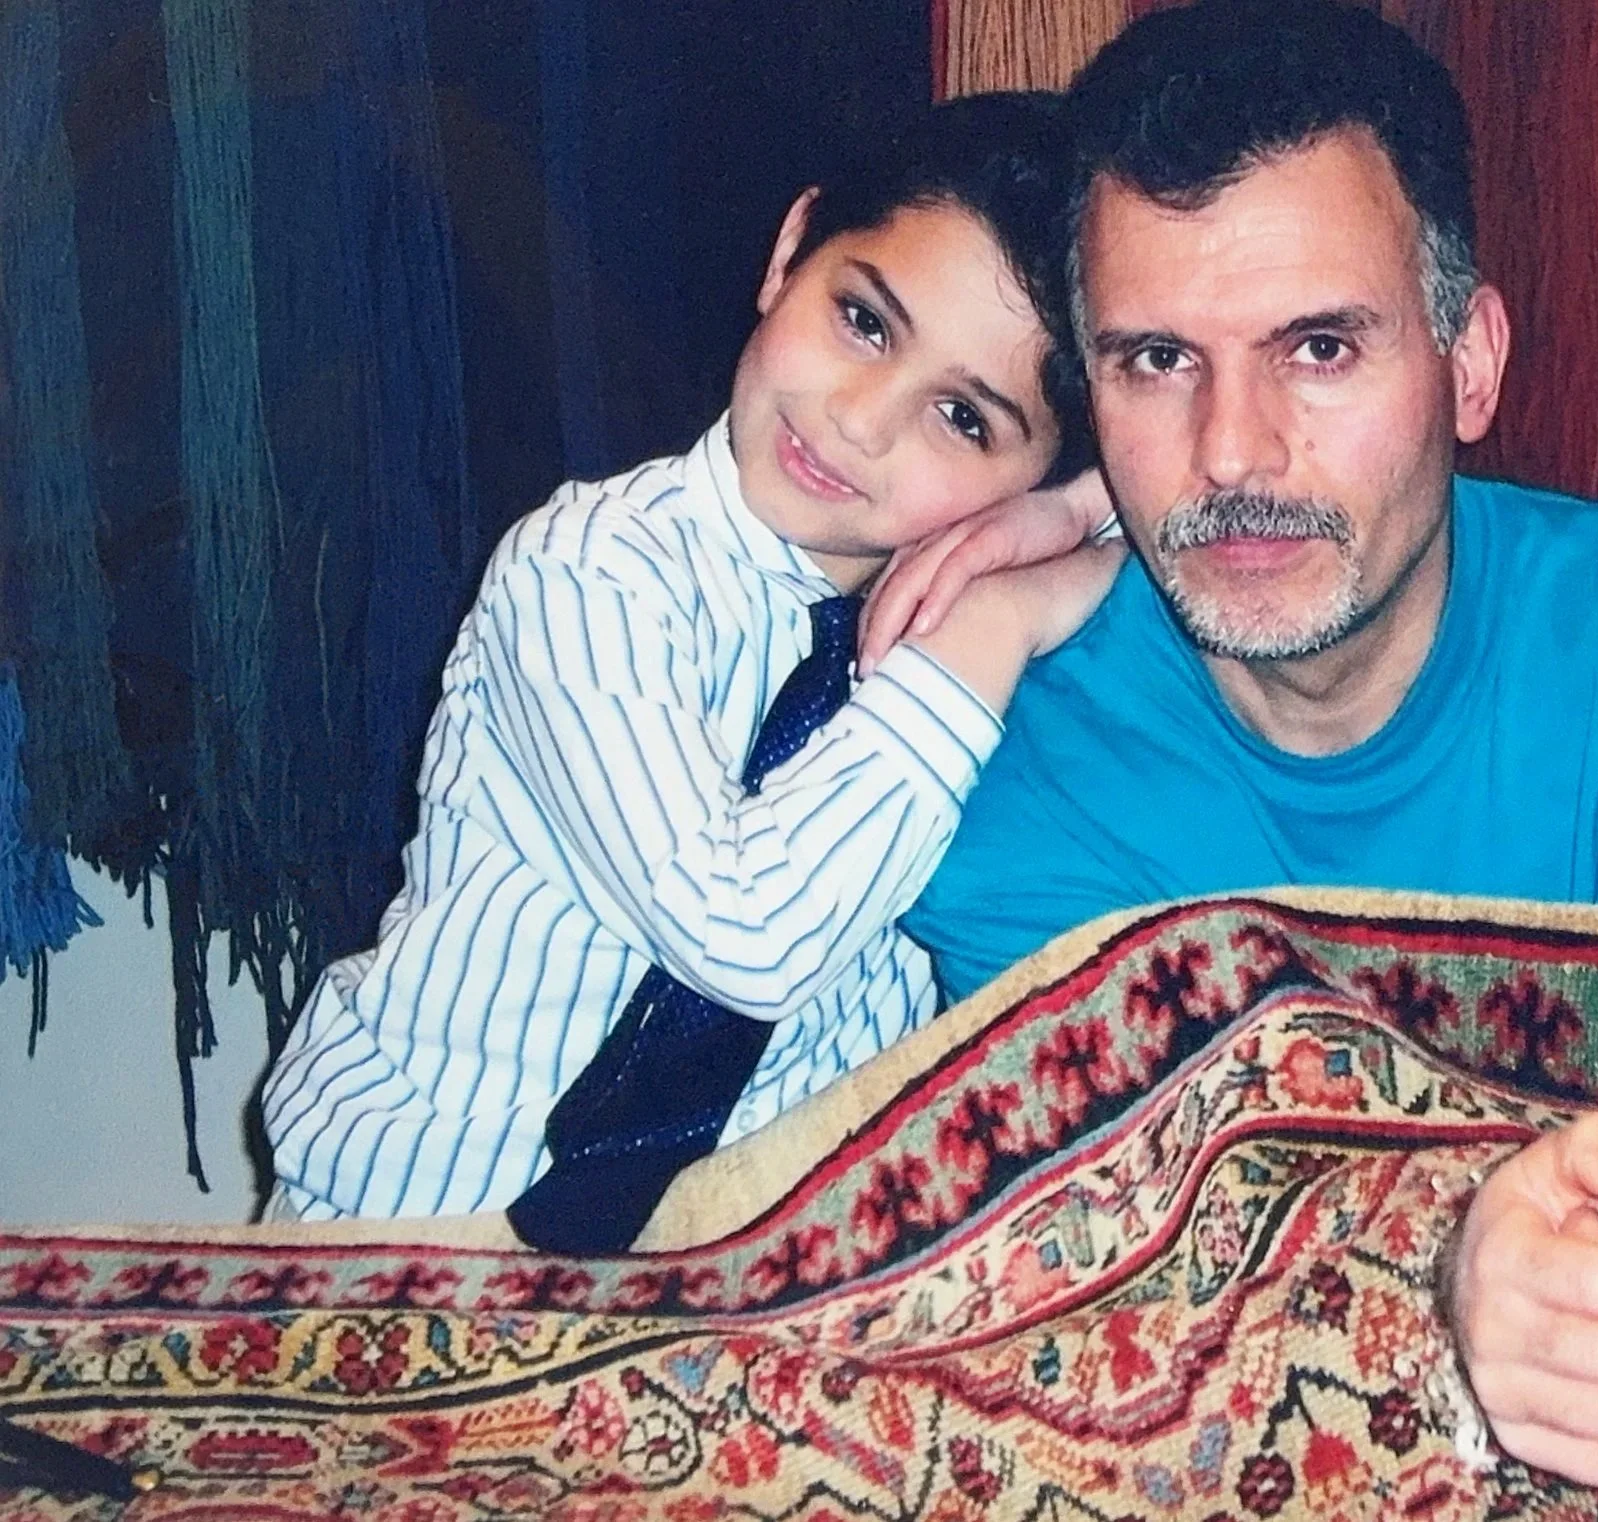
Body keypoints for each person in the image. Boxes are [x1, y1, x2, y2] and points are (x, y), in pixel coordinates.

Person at [899, 0, 1598, 1491]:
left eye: (1319, 346)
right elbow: (1135, 1246)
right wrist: (1462, 1244)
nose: (1233, 452)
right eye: (1154, 361)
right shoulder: (998, 746)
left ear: (1470, 360)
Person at [260, 92, 1122, 1224]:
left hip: (721, 1288)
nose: (861, 421)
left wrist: (1066, 531)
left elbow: (1181, 504)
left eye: (962, 418)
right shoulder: (589, 571)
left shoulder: (979, 610)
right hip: (405, 1236)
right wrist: (989, 630)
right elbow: (742, 934)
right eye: (863, 320)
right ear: (788, 253)